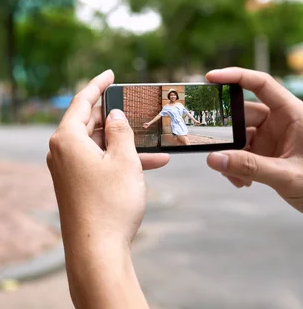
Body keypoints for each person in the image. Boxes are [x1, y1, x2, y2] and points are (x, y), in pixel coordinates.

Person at [47, 67, 303, 308]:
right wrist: (148, 125)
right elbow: (159, 116)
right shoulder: (167, 107)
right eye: (170, 94)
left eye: (171, 94)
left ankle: (192, 138)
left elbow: (188, 114)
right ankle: (191, 139)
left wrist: (95, 242)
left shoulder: (179, 105)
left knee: (185, 138)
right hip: (175, 128)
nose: (171, 95)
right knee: (183, 138)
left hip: (182, 126)